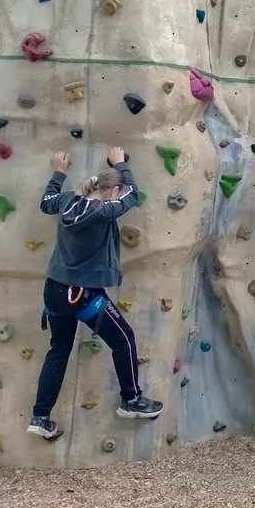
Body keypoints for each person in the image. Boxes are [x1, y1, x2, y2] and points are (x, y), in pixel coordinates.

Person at [28, 147, 163, 440]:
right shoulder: (104, 211)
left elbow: (46, 202)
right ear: (113, 190)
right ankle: (131, 399)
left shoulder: (66, 201)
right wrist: (121, 164)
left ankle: (41, 417)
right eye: (118, 192)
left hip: (53, 290)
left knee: (59, 350)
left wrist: (59, 172)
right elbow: (135, 194)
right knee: (124, 338)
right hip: (81, 294)